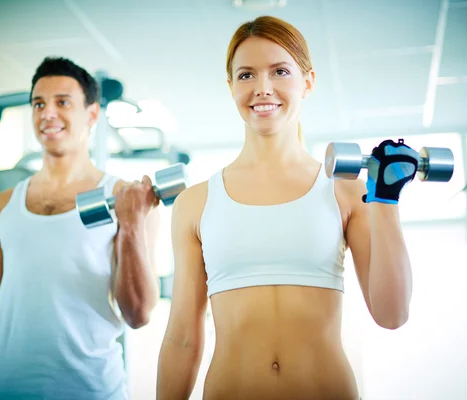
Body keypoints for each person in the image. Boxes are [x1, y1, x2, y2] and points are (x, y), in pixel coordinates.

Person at [156, 16, 419, 400]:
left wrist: (386, 201)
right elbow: (181, 338)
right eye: (246, 76)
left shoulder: (346, 192)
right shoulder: (194, 203)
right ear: (231, 87)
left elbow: (391, 314)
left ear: (307, 81)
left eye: (279, 71)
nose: (263, 89)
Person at [0, 57, 161, 400]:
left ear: (92, 115)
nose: (48, 113)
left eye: (62, 102)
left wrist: (130, 226)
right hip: (5, 390)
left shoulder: (125, 198)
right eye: (38, 104)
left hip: (90, 389)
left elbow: (139, 313)